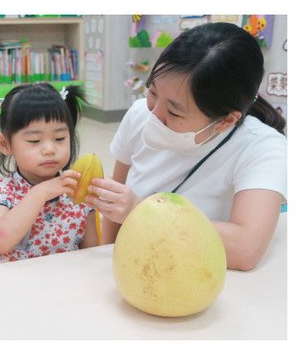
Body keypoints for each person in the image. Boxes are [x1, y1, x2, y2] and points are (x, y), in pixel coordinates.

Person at [86, 22, 286, 271]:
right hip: (134, 266)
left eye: (174, 112)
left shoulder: (263, 147)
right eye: (152, 92)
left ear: (226, 121)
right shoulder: (139, 114)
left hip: (198, 275)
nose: (154, 115)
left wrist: (141, 211)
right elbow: (114, 205)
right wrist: (109, 259)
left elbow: (245, 249)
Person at [0, 83, 98, 262]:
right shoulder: (1, 192)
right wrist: (40, 193)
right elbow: (0, 242)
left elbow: (92, 254)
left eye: (59, 138)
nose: (49, 149)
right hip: (19, 280)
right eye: (34, 140)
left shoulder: (77, 190)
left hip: (70, 277)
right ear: (5, 144)